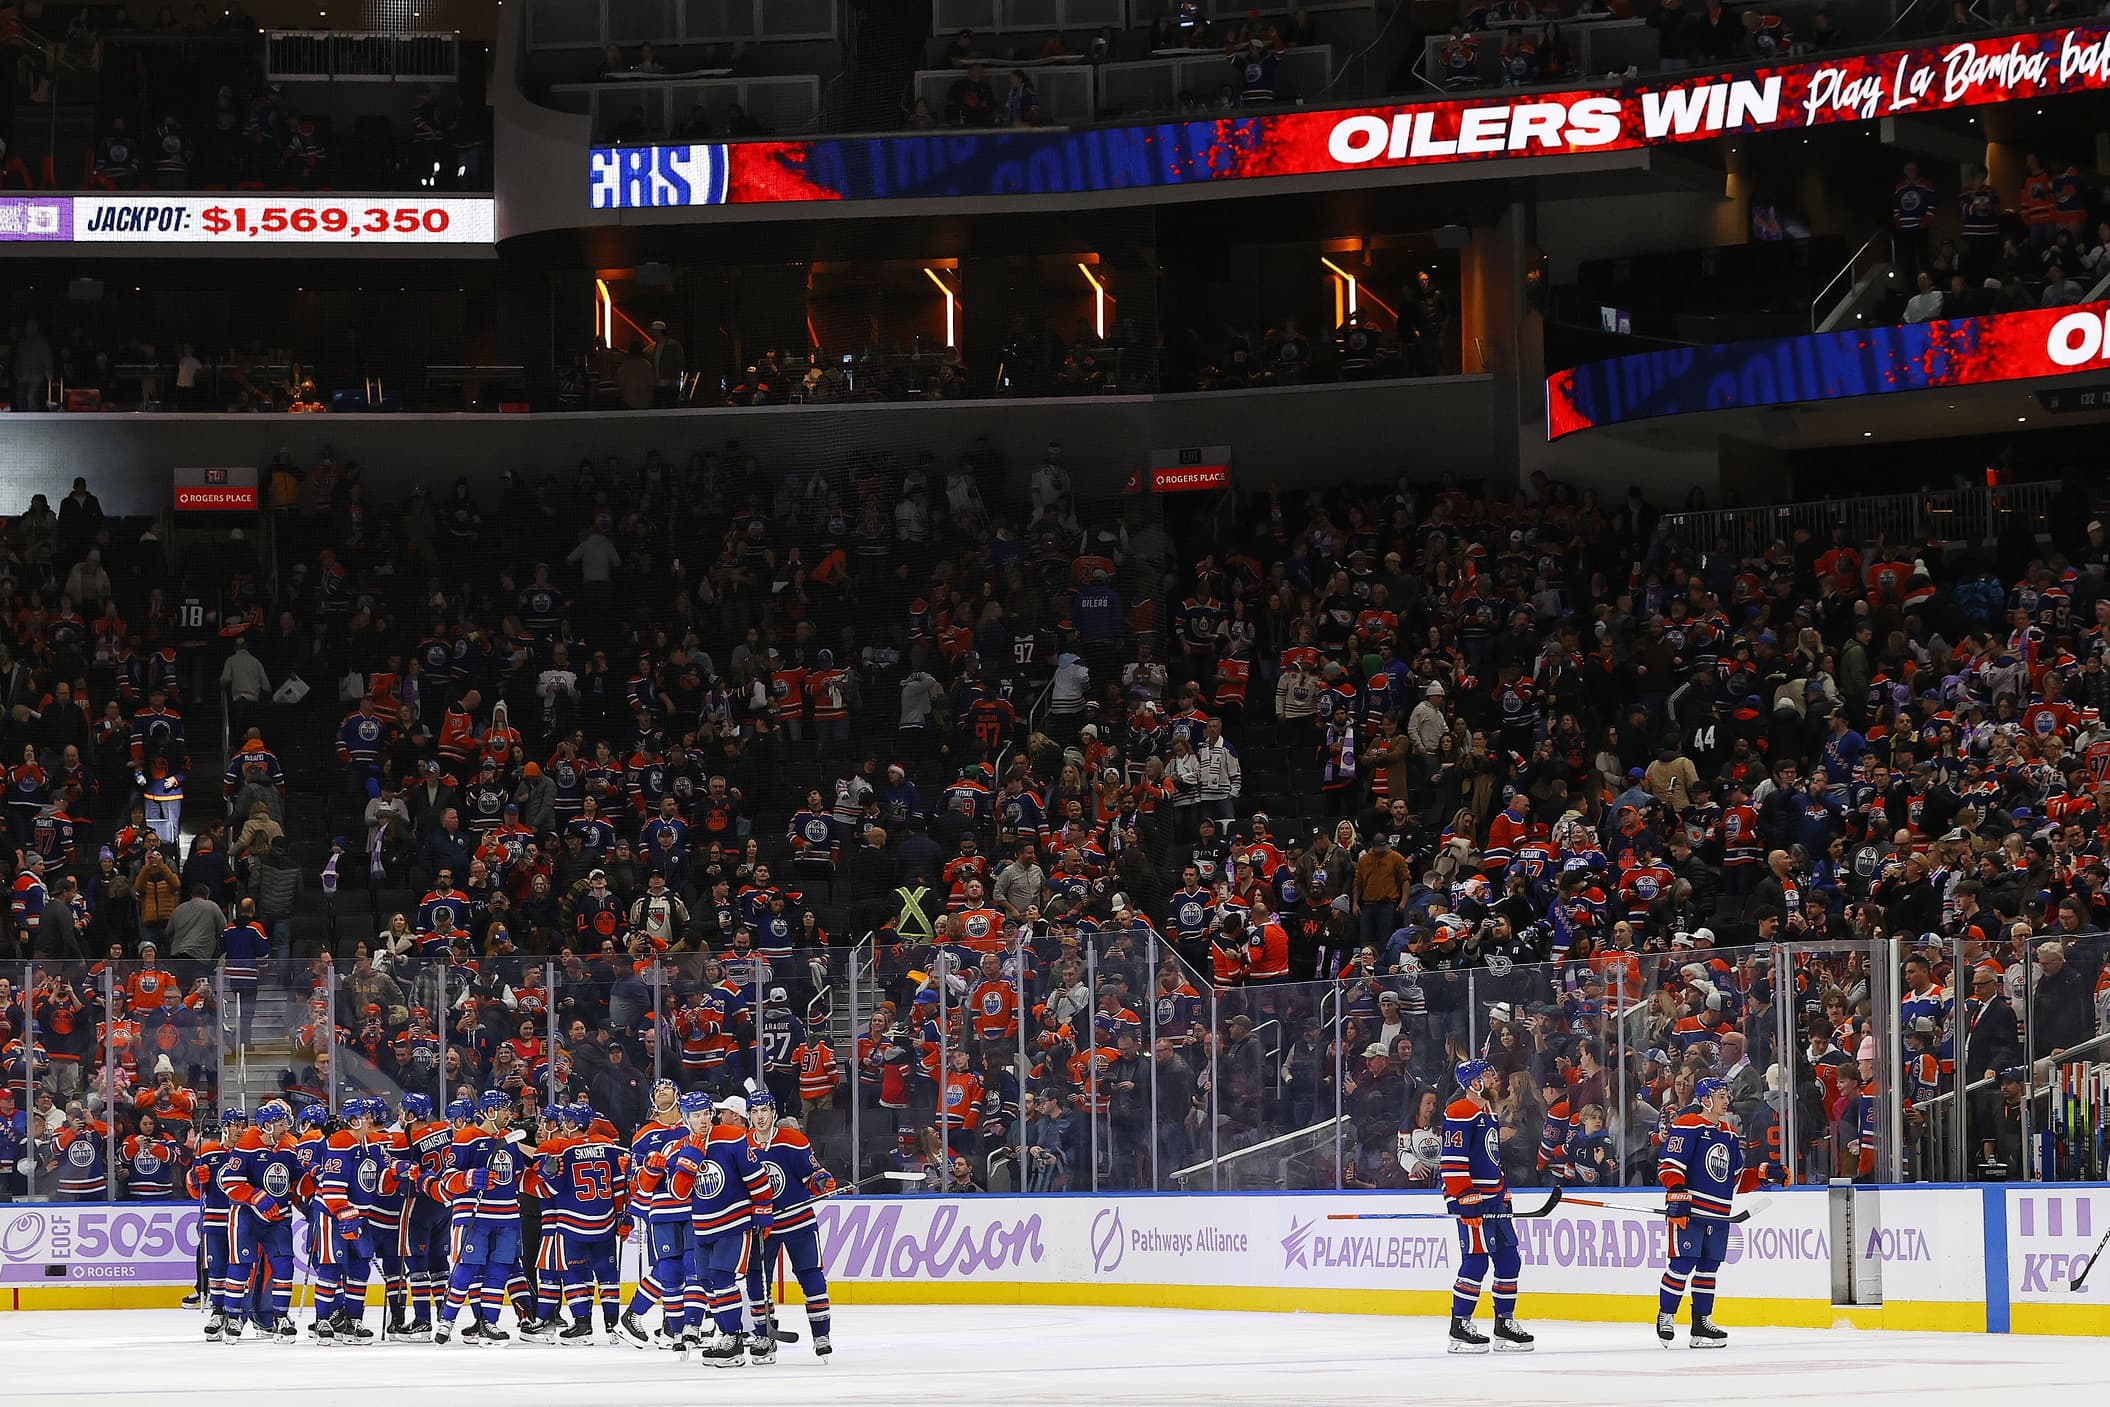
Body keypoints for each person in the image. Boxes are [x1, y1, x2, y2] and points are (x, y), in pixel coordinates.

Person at [1656, 1075, 1759, 1347]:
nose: (1726, 1100)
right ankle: (1666, 1315)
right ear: (1705, 1099)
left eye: (1727, 1095)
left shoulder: (1728, 1133)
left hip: (1718, 1213)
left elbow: (1735, 1179)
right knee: (1682, 1264)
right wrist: (1677, 1194)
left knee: (1708, 1268)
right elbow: (1669, 1165)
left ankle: (1701, 1325)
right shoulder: (1687, 1125)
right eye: (1721, 1095)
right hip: (1691, 1210)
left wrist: (1763, 1175)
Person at [1441, 1059, 1534, 1353]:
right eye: (1487, 1074)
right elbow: (1452, 1161)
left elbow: (1491, 1159)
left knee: (1509, 1259)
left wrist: (1503, 1191)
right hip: (1473, 1200)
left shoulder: (1486, 1111)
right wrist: (1464, 1197)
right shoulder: (1460, 1111)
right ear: (1472, 1082)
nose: (1494, 1078)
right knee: (1476, 1260)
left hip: (1493, 1199)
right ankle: (1460, 1325)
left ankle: (1504, 1323)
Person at [741, 1091, 838, 1360]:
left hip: (798, 1222)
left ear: (773, 1112)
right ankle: (763, 1335)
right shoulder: (742, 1146)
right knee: (757, 1281)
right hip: (762, 1226)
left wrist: (821, 1181)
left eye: (764, 1110)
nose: (760, 1116)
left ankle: (821, 1335)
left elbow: (812, 1174)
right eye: (754, 1111)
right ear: (749, 1116)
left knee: (811, 1275)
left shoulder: (793, 1140)